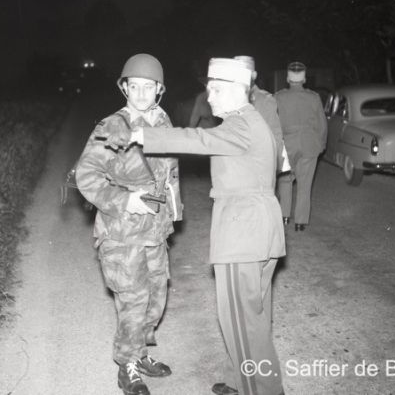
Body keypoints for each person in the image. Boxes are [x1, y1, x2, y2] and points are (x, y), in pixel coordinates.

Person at [108, 56, 286, 395]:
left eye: (215, 90)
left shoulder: (239, 125)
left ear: (236, 90)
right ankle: (244, 381)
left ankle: (258, 390)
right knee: (253, 320)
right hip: (261, 230)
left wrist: (142, 134)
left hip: (242, 235)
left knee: (241, 324)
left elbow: (198, 139)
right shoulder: (251, 120)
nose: (209, 98)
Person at [75, 53, 182, 395]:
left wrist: (173, 213)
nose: (140, 94)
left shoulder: (163, 122)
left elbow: (170, 173)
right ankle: (127, 367)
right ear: (124, 88)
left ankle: (141, 353)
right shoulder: (112, 127)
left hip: (155, 230)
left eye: (148, 87)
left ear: (159, 89)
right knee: (133, 302)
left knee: (156, 298)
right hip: (122, 233)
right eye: (134, 86)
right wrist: (124, 200)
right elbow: (86, 176)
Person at [274, 61, 327, 231]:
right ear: (304, 79)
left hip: (287, 144)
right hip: (309, 144)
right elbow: (322, 125)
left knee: (285, 180)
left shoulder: (279, 97)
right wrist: (321, 145)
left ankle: (284, 216)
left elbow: (274, 124)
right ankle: (300, 223)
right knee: (305, 184)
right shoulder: (314, 97)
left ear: (287, 79)